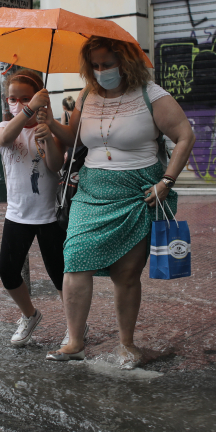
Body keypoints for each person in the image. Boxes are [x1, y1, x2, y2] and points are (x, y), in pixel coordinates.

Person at [42, 36, 196, 368]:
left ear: (125, 62)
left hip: (138, 194)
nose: (101, 71)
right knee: (74, 259)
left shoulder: (151, 95)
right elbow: (72, 138)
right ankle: (74, 342)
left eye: (107, 64)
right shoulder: (86, 95)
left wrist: (166, 181)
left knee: (126, 275)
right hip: (91, 192)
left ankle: (127, 344)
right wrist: (49, 120)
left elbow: (185, 135)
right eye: (95, 65)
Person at [0, 69, 67, 346]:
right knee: (7, 271)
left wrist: (47, 136)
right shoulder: (5, 127)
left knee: (60, 275)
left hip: (49, 216)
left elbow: (55, 166)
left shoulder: (49, 127)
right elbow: (3, 140)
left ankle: (75, 324)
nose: (19, 103)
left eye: (26, 97)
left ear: (40, 97)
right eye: (13, 98)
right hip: (17, 215)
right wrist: (28, 110)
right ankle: (29, 315)